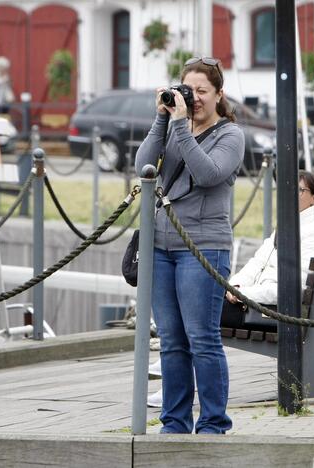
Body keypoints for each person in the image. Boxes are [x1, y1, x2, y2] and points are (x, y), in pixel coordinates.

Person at [135, 57, 245, 434]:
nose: (194, 98)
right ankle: (175, 422)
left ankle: (213, 422)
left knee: (202, 338)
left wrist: (182, 125)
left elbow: (207, 174)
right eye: (189, 90)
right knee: (171, 341)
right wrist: (163, 118)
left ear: (219, 94)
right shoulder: (172, 127)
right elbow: (143, 166)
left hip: (203, 248)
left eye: (202, 91)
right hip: (160, 248)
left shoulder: (230, 135)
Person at [223, 171, 314, 327]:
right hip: (259, 303)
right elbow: (257, 262)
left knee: (203, 310)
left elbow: (293, 288)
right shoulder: (289, 225)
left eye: (299, 190)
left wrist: (243, 294)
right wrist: (235, 286)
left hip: (280, 314)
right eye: (287, 189)